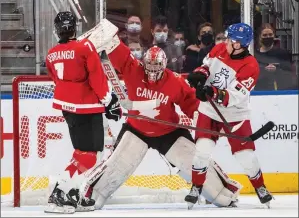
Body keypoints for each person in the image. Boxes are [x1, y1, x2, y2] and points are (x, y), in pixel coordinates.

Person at [79, 19, 243, 210]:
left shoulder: (175, 82)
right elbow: (117, 51)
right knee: (115, 170)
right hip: (136, 129)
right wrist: (108, 40)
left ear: (165, 66)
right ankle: (89, 195)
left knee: (208, 181)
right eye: (149, 67)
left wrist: (201, 119)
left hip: (169, 132)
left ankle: (222, 192)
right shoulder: (134, 69)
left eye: (157, 69)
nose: (152, 73)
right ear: (144, 64)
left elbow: (191, 104)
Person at [186, 23, 273, 209]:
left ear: (242, 44)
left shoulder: (251, 66)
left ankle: (260, 187)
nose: (227, 42)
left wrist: (213, 92)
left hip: (235, 114)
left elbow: (235, 96)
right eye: (228, 38)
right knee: (202, 150)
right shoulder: (219, 48)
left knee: (246, 156)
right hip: (209, 110)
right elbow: (207, 65)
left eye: (232, 40)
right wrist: (200, 76)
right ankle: (196, 187)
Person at [45, 11, 122, 214]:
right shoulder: (85, 46)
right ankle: (60, 189)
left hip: (66, 108)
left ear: (57, 30)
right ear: (74, 28)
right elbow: (97, 77)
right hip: (87, 107)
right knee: (91, 155)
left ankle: (72, 193)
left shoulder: (51, 54)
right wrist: (110, 101)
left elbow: (57, 80)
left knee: (81, 152)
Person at [254, 23, 295, 90]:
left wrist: (277, 70)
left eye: (270, 34)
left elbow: (290, 73)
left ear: (274, 35)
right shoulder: (255, 55)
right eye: (265, 35)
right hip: (260, 91)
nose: (268, 37)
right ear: (259, 37)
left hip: (280, 91)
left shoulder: (282, 53)